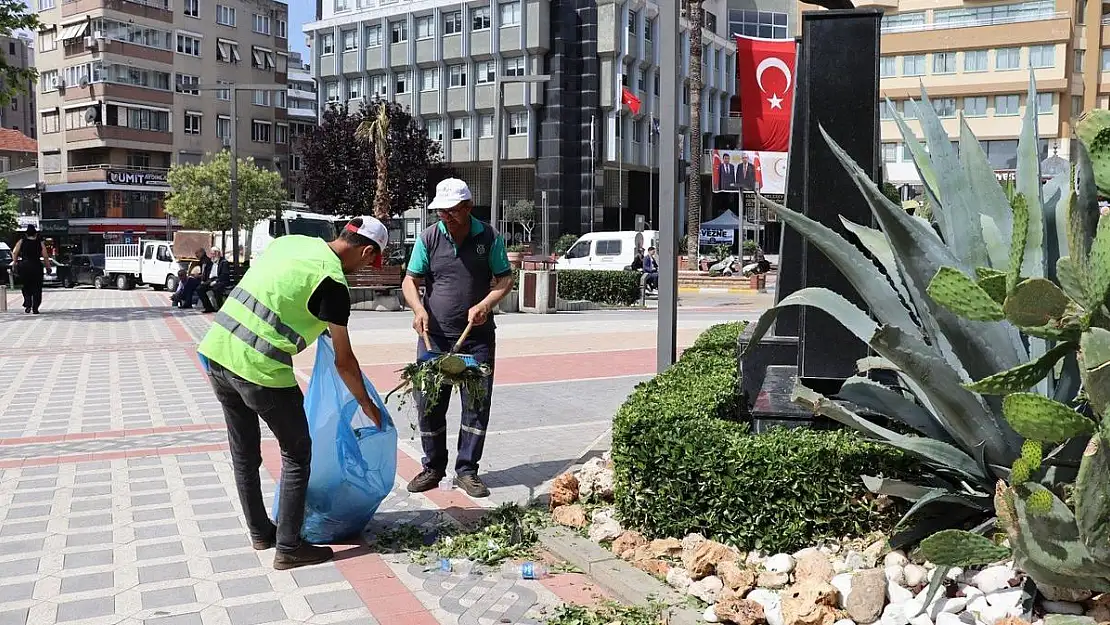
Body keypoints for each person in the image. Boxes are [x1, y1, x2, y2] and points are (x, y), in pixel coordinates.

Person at [197, 217, 387, 570]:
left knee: (244, 452)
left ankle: (260, 532)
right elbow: (345, 362)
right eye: (368, 263)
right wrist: (367, 405)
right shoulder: (333, 284)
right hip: (260, 368)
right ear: (366, 250)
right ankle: (289, 546)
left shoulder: (293, 242)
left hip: (216, 351)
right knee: (297, 453)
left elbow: (280, 289)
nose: (363, 270)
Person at [402, 178, 513, 498]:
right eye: (441, 212)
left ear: (467, 208)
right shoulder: (429, 238)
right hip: (432, 338)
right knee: (429, 405)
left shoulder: (489, 237)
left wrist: (485, 304)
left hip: (476, 340)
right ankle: (433, 467)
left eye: (451, 212)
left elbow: (505, 279)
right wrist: (418, 308)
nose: (444, 218)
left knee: (476, 406)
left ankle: (467, 470)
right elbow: (410, 281)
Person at [10, 225, 50, 314]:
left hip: (25, 266)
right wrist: (48, 267)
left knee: (26, 286)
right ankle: (35, 307)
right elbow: (45, 256)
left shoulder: (21, 241)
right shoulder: (40, 243)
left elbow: (14, 252)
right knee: (37, 287)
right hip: (36, 266)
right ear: (35, 234)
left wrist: (15, 263)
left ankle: (28, 303)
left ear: (26, 234)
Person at [199, 247, 231, 313]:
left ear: (217, 253)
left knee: (216, 288)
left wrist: (215, 281)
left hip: (220, 280)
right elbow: (205, 272)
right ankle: (208, 307)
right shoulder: (210, 262)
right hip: (211, 280)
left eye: (213, 254)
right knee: (199, 288)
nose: (211, 255)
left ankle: (220, 308)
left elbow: (224, 275)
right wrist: (203, 280)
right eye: (211, 254)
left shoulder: (224, 262)